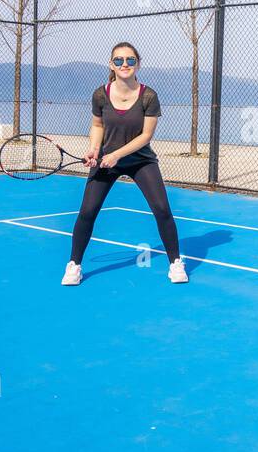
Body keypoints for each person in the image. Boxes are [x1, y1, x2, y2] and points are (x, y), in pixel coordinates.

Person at [62, 41, 187, 286]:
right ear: (112, 64)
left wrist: (117, 154)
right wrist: (94, 150)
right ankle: (74, 265)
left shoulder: (148, 96)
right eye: (119, 60)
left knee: (162, 209)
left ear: (138, 64)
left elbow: (146, 136)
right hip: (106, 160)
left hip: (141, 161)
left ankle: (175, 263)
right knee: (87, 211)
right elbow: (97, 126)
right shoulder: (100, 94)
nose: (125, 64)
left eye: (130, 60)